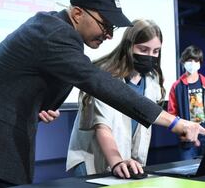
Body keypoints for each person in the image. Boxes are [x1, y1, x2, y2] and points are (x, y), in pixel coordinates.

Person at [0, 0, 205, 186]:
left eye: (113, 29)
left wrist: (36, 105)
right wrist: (175, 122)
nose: (108, 35)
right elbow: (99, 83)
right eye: (104, 25)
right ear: (77, 13)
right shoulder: (55, 34)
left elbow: (18, 80)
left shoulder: (56, 30)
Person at [66, 19, 164, 178]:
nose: (150, 56)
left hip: (127, 161)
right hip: (93, 158)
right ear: (129, 46)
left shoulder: (152, 81)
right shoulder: (104, 75)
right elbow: (101, 126)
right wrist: (117, 162)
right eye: (143, 49)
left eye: (155, 51)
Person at [167, 45, 205, 160]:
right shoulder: (177, 87)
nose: (192, 63)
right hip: (187, 137)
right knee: (187, 170)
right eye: (189, 60)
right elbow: (172, 114)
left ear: (200, 63)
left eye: (196, 60)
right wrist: (182, 134)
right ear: (183, 62)